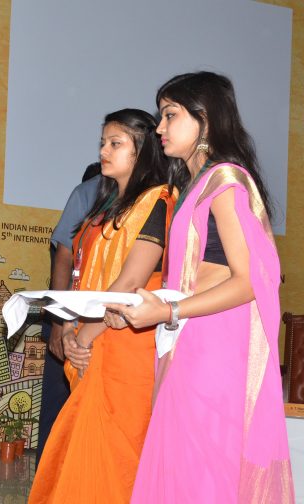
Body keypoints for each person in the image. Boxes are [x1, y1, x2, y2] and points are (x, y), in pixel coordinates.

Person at [106, 72, 294, 503]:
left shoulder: (226, 182)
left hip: (214, 352)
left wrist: (168, 311)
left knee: (205, 476)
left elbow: (247, 282)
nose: (160, 127)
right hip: (191, 341)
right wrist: (138, 307)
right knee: (183, 472)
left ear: (204, 120)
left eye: (170, 115)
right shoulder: (193, 186)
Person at [29, 109, 176, 504]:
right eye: (102, 142)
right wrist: (75, 329)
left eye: (116, 143)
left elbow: (130, 283)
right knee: (82, 453)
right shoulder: (105, 207)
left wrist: (84, 334)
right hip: (91, 340)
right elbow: (81, 273)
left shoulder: (158, 202)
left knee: (118, 456)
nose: (103, 150)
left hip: (128, 344)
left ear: (143, 151)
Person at [37, 162, 100, 461]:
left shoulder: (160, 195)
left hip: (118, 325)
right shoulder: (89, 193)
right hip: (70, 319)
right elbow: (63, 256)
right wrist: (61, 321)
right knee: (57, 406)